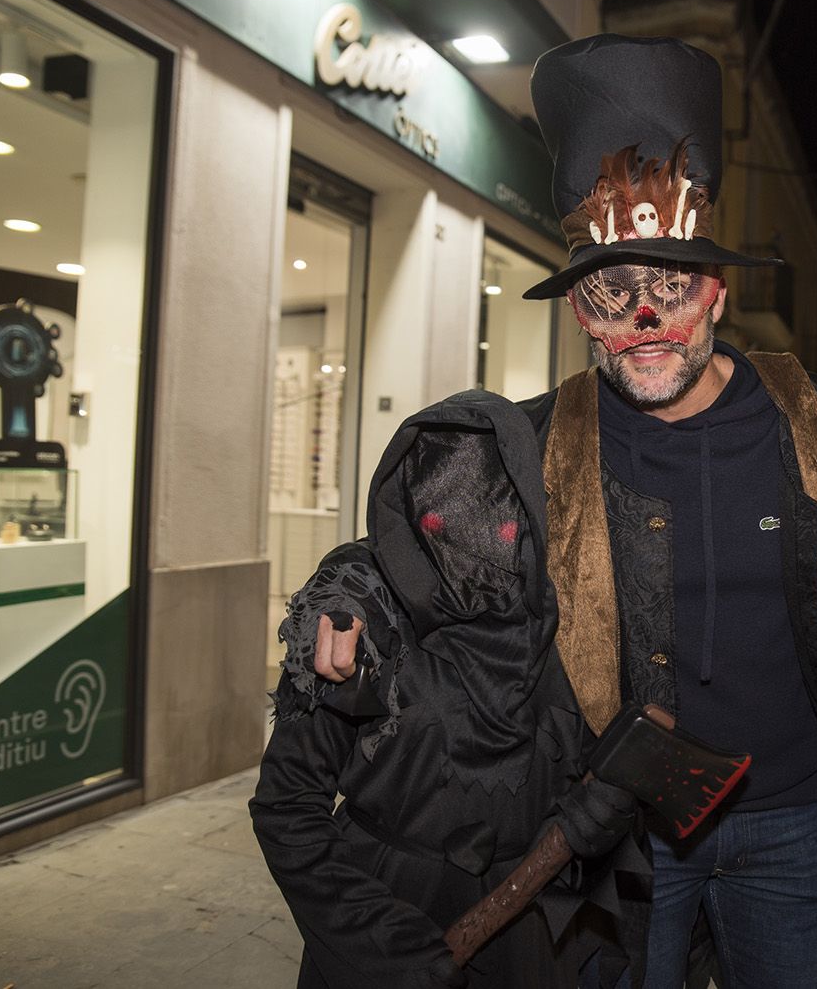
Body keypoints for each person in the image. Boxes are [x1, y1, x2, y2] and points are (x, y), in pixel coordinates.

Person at [310, 34, 817, 989]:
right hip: (619, 833)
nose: (646, 322)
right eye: (614, 292)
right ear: (579, 312)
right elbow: (419, 552)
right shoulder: (537, 445)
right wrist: (341, 594)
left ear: (717, 291)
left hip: (790, 827)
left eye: (671, 287)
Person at [251, 394, 641, 988]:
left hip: (530, 940)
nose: (469, 547)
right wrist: (385, 945)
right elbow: (286, 806)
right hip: (380, 928)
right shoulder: (359, 623)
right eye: (438, 519)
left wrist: (597, 814)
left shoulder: (572, 618)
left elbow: (602, 756)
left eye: (495, 516)